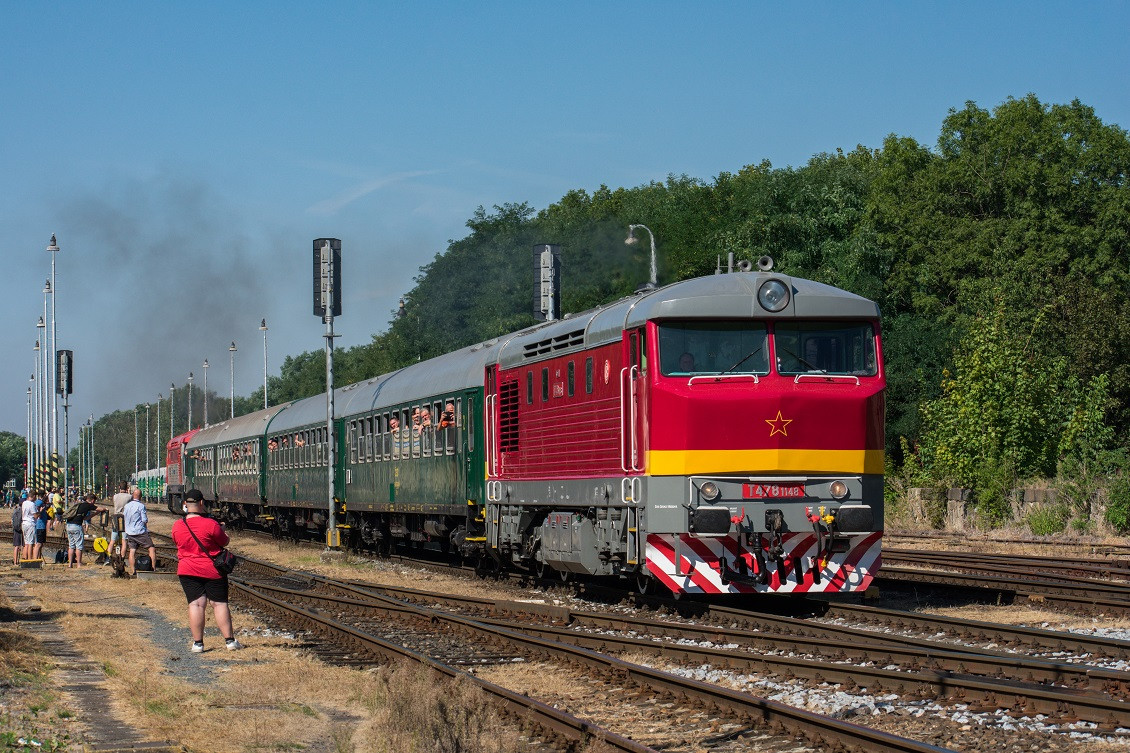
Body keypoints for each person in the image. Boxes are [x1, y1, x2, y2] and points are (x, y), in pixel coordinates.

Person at [172, 489, 242, 652]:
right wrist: (222, 529)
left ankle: (198, 644)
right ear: (201, 503)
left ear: (185, 505)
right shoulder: (211, 524)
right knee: (219, 604)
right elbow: (224, 542)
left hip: (187, 569)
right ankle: (230, 641)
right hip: (212, 571)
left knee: (196, 604)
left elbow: (178, 543)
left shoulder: (177, 525)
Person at [65, 493, 107, 568]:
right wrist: (104, 509)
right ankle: (79, 564)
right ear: (92, 500)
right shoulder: (88, 505)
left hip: (69, 525)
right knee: (79, 546)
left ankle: (70, 564)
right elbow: (100, 509)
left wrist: (95, 514)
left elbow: (85, 518)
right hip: (76, 526)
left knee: (71, 546)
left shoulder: (79, 504)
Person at [122, 488, 158, 577]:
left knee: (132, 551)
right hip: (140, 532)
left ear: (132, 495)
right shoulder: (141, 506)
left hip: (129, 532)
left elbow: (124, 517)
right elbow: (144, 520)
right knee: (151, 549)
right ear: (140, 497)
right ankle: (153, 569)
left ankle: (133, 571)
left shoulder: (127, 506)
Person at [110, 482, 131, 559]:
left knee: (112, 540)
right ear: (127, 488)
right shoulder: (129, 497)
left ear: (119, 487)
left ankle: (109, 557)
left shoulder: (115, 496)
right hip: (124, 518)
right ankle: (122, 557)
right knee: (124, 540)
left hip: (116, 518)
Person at [20, 491, 36, 561]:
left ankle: (24, 557)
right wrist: (40, 512)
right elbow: (35, 515)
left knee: (26, 543)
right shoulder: (32, 504)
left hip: (24, 523)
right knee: (30, 543)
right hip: (30, 523)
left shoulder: (24, 503)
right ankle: (29, 559)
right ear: (33, 496)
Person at [32, 491, 48, 560]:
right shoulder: (39, 502)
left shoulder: (40, 502)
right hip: (40, 525)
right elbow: (37, 508)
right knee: (38, 544)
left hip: (42, 525)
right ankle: (36, 559)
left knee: (40, 544)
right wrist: (40, 511)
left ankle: (39, 558)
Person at [10, 501, 22, 565]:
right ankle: (18, 561)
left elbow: (12, 521)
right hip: (20, 529)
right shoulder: (21, 511)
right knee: (20, 545)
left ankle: (15, 561)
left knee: (16, 546)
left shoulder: (15, 510)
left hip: (15, 529)